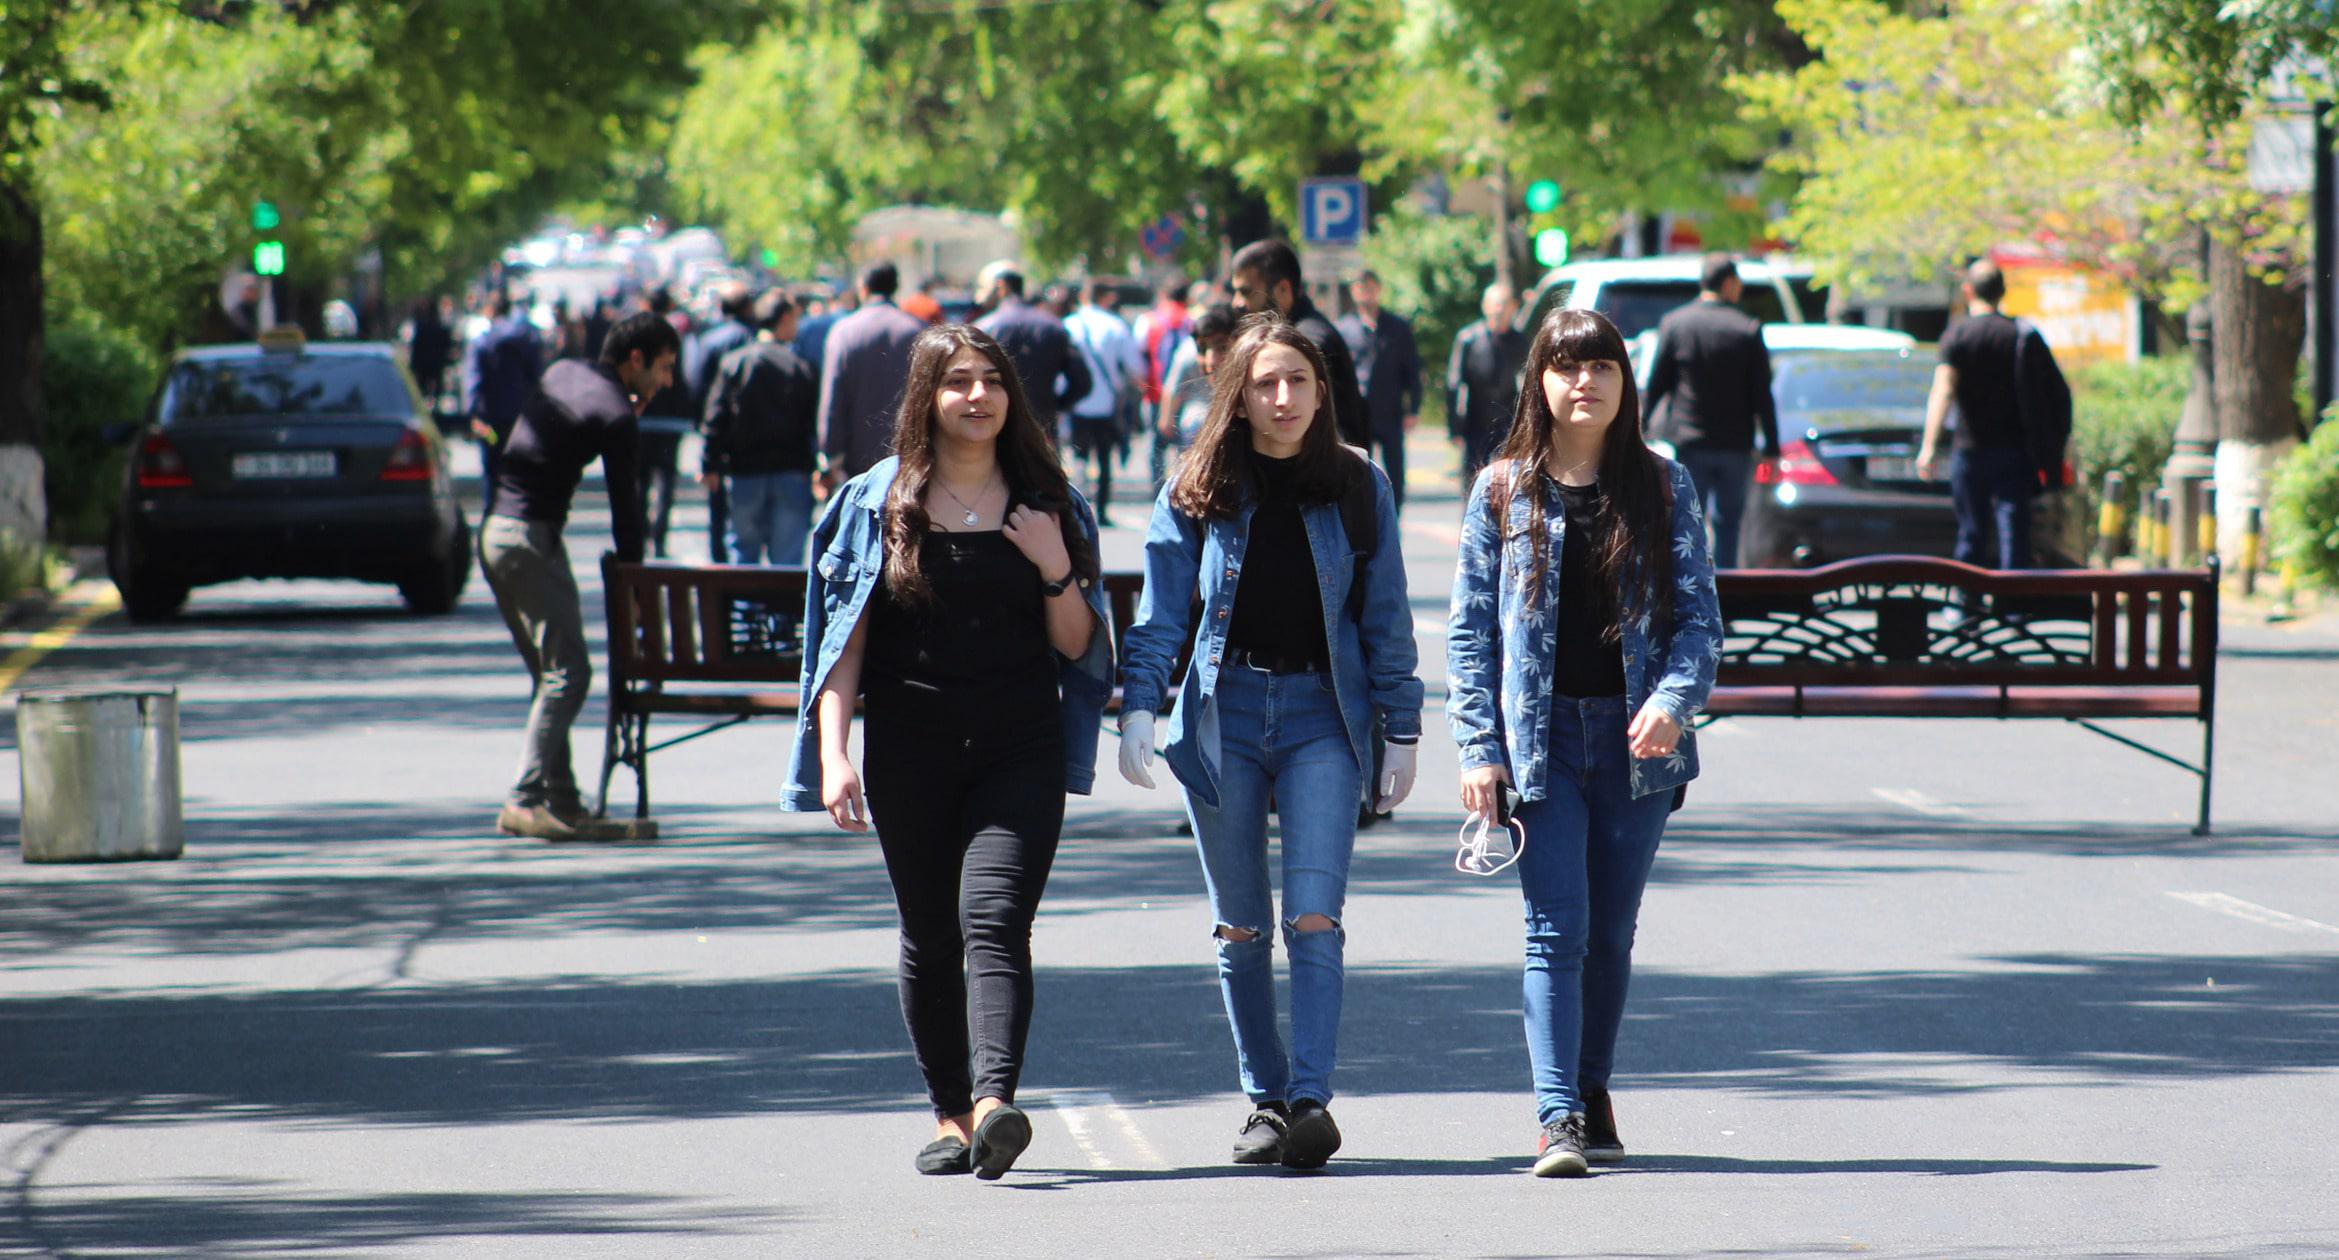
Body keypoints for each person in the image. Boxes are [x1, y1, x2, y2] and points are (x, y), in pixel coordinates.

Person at [779, 324, 1115, 1181]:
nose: (977, 396)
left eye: (991, 380)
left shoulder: (1048, 501)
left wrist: (1052, 565)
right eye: (957, 381)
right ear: (926, 397)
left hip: (1020, 747)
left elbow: (1078, 645)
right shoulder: (874, 503)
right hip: (910, 748)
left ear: (1011, 396)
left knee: (994, 920)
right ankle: (952, 1116)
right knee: (930, 934)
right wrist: (833, 754)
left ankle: (996, 1102)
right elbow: (843, 645)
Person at [1117, 315, 1424, 1171]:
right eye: (1263, 384)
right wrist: (1139, 709)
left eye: (1297, 380)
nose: (1282, 397)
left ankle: (1310, 1101)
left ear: (1320, 392)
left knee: (1313, 916)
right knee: (1241, 927)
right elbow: (1159, 616)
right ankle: (1265, 1098)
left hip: (1323, 715)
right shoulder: (1197, 485)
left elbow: (1387, 616)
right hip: (1225, 714)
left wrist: (1402, 727)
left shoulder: (1357, 484)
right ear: (1238, 397)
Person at [1446, 307, 1722, 1178]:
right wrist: (1477, 746)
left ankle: (1591, 1086)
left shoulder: (1664, 484)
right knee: (1552, 928)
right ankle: (1556, 1114)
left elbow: (1699, 620)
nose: (1585, 382)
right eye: (1566, 366)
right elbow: (1468, 635)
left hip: (1637, 747)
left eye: (1601, 366)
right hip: (1541, 742)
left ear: (1624, 382)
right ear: (1539, 380)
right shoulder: (1502, 490)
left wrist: (1673, 701)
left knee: (1610, 932)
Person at [481, 312, 675, 842]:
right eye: (662, 367)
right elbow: (626, 510)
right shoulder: (616, 413)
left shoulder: (564, 371)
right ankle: (524, 799)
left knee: (551, 673)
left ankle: (563, 801)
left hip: (496, 533)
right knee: (570, 674)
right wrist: (635, 582)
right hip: (530, 541)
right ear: (635, 359)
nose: (667, 381)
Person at [1917, 258, 2071, 570]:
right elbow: (2057, 394)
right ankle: (2013, 594)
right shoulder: (2021, 335)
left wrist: (1929, 445)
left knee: (1970, 532)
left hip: (1970, 450)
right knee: (2014, 532)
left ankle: (1967, 594)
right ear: (2002, 292)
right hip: (2015, 451)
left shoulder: (1957, 335)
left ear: (1968, 290)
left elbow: (1943, 390)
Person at [1642, 253, 1779, 568]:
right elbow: (1762, 393)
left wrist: (1642, 423)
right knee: (1728, 523)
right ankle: (1727, 587)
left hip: (1689, 440)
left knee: (1686, 520)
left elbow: (1658, 382)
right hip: (1735, 443)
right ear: (1729, 283)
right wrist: (1772, 446)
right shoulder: (1746, 328)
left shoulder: (1676, 323)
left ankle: (1686, 582)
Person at [702, 290, 819, 566]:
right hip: (792, 471)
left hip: (745, 471)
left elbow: (716, 417)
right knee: (787, 559)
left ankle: (746, 597)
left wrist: (709, 463)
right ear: (785, 318)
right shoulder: (801, 366)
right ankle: (780, 598)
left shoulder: (735, 362)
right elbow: (813, 422)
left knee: (743, 553)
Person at [1228, 240, 1369, 450]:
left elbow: (1330, 431)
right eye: (1266, 383)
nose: (1237, 303)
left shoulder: (1310, 342)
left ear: (1283, 289)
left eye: (1246, 291)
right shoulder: (1294, 336)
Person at [817, 263, 929, 486]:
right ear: (896, 287)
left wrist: (829, 456)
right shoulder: (918, 330)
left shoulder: (844, 331)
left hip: (858, 463)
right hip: (909, 458)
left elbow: (833, 397)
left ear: (863, 288)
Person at [974, 265, 1090, 450]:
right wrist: (1055, 405)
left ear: (1001, 286)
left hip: (995, 431)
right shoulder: (1053, 326)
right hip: (1042, 428)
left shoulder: (984, 328)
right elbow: (1082, 382)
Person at [1336, 270, 1424, 509]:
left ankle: (1393, 518)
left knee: (1395, 473)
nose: (1366, 293)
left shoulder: (1397, 327)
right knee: (1358, 470)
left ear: (1379, 289)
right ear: (1353, 291)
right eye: (1361, 287)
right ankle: (1363, 517)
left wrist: (1413, 408)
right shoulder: (1343, 329)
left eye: (1370, 287)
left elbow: (1412, 368)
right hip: (1357, 413)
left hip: (1390, 410)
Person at [1064, 280, 1146, 526]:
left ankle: (1076, 508)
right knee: (1104, 457)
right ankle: (1101, 510)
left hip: (1076, 401)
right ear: (1105, 298)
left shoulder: (1069, 325)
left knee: (1078, 455)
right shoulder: (1115, 326)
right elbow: (1136, 367)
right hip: (1107, 402)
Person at [686, 284, 757, 562]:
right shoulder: (753, 338)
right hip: (748, 434)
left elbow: (697, 386)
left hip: (719, 430)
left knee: (717, 502)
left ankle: (719, 563)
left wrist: (703, 428)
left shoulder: (710, 340)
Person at [463, 292, 545, 516]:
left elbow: (474, 382)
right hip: (520, 420)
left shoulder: (482, 342)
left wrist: (473, 416)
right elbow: (537, 377)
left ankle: (492, 518)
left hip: (490, 423)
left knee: (492, 471)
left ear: (490, 311)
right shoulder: (526, 339)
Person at [1446, 282, 1528, 491]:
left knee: (1509, 478)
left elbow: (1527, 382)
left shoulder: (1520, 342)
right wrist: (1455, 426)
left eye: (1504, 304)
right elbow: (1455, 383)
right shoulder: (1468, 339)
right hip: (1476, 419)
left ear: (1513, 307)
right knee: (1473, 478)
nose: (1499, 310)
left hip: (1507, 419)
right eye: (1495, 304)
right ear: (1485, 306)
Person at [635, 288, 695, 558]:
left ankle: (641, 533)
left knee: (640, 480)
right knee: (666, 480)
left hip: (640, 418)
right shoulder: (675, 337)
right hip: (669, 420)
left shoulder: (632, 337)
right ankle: (659, 536)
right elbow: (687, 375)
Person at [1153, 303, 1235, 491]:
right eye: (1203, 349)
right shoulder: (1186, 353)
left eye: (1222, 348)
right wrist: (1166, 418)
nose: (1211, 360)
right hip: (1195, 422)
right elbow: (1173, 387)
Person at [401, 297, 454, 420]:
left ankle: (423, 410)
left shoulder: (421, 327)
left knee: (422, 390)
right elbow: (446, 347)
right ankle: (434, 410)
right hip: (435, 364)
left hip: (423, 365)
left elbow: (416, 347)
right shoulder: (439, 328)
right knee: (434, 390)